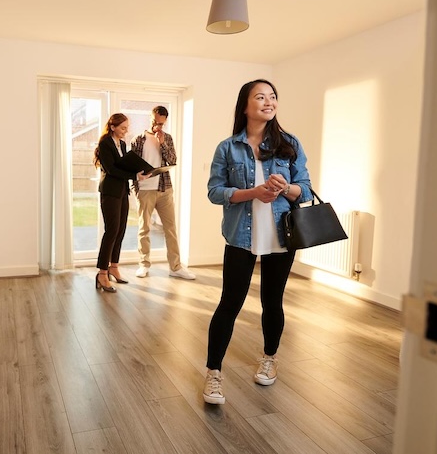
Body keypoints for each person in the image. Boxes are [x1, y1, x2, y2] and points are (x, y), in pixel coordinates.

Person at [203, 79, 312, 404]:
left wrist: (285, 188)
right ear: (245, 105)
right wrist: (253, 192)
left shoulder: (289, 143)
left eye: (273, 96)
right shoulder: (227, 148)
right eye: (261, 97)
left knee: (272, 302)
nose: (269, 102)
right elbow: (214, 192)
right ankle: (213, 373)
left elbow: (305, 189)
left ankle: (269, 357)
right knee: (229, 304)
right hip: (241, 236)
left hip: (281, 235)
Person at [130, 106, 195, 280]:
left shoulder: (167, 138)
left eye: (161, 124)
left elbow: (172, 160)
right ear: (150, 118)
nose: (158, 126)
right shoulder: (138, 140)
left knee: (170, 229)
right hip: (144, 190)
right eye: (155, 122)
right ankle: (144, 265)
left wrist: (163, 143)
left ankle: (176, 267)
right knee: (144, 229)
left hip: (164, 188)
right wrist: (136, 187)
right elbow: (132, 166)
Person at [93, 113, 146, 292]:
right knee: (111, 231)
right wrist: (134, 176)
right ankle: (102, 273)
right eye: (123, 128)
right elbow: (111, 169)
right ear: (113, 127)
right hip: (110, 192)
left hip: (122, 191)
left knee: (121, 230)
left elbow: (122, 166)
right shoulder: (105, 143)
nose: (125, 131)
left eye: (126, 128)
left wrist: (139, 170)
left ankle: (114, 267)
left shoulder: (122, 144)